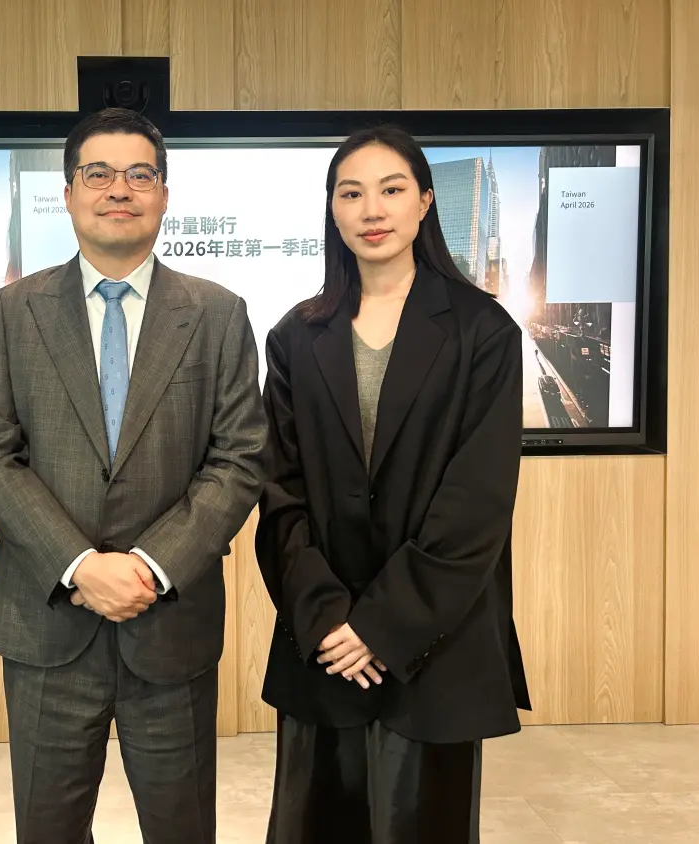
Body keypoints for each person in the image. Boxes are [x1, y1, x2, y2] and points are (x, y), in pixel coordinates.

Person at [0, 107, 267, 844]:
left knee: (181, 829)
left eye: (139, 174)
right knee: (48, 830)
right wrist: (78, 564)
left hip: (168, 622)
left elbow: (238, 457)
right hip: (47, 623)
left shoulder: (218, 313)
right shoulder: (14, 310)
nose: (118, 189)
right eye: (98, 173)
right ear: (69, 193)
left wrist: (151, 566)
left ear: (164, 194)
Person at [255, 126, 531, 843]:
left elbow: (475, 504)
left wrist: (380, 628)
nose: (371, 209)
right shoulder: (295, 336)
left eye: (392, 189)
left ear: (424, 202)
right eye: (351, 193)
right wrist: (327, 620)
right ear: (333, 210)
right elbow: (280, 495)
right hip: (324, 643)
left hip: (435, 641)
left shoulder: (482, 331)